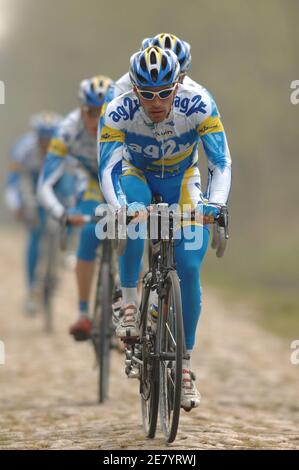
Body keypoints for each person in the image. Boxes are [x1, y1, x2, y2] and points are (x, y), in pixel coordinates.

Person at [98, 47, 231, 410]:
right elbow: (108, 168)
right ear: (134, 88)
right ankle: (128, 302)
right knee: (135, 215)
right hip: (136, 174)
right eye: (146, 93)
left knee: (188, 267)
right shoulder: (117, 108)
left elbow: (219, 160)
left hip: (182, 178)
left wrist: (215, 206)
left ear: (178, 85)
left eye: (163, 92)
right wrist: (122, 209)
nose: (156, 102)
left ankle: (184, 365)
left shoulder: (199, 103)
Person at [38, 75, 113, 340]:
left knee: (132, 229)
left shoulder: (126, 121)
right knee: (91, 231)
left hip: (121, 177)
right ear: (81, 110)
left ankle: (131, 301)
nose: (96, 120)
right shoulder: (67, 128)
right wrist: (63, 214)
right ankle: (83, 313)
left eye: (103, 112)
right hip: (91, 180)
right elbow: (45, 184)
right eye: (91, 112)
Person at [5, 111, 63, 313]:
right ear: (36, 136)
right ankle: (31, 290)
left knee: (65, 215)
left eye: (50, 139)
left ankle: (60, 259)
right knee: (35, 231)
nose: (46, 144)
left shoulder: (65, 147)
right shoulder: (23, 149)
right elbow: (13, 182)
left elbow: (74, 180)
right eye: (42, 139)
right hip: (30, 183)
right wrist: (17, 206)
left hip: (56, 183)